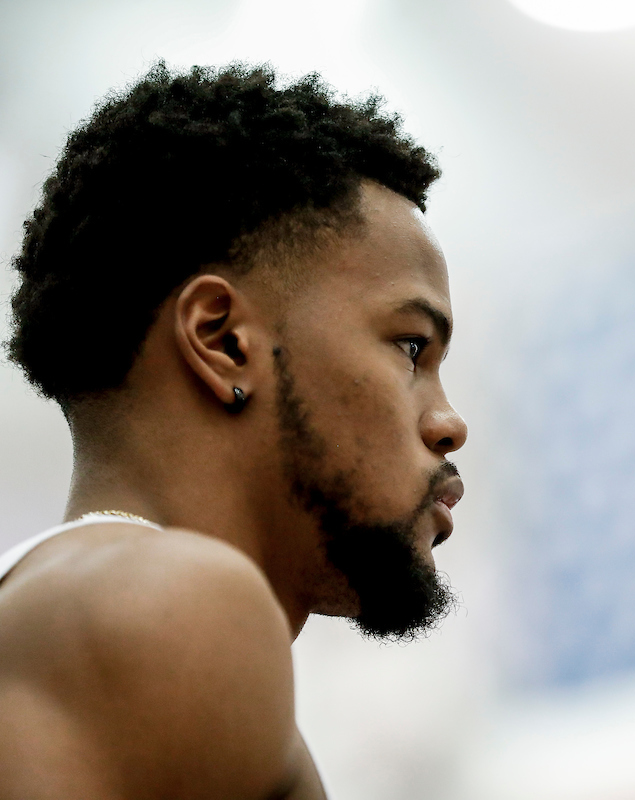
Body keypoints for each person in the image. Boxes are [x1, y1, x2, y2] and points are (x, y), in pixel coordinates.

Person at [0, 62, 467, 799]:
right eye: (411, 347)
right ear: (221, 340)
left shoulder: (67, 616)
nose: (449, 423)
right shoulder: (174, 606)